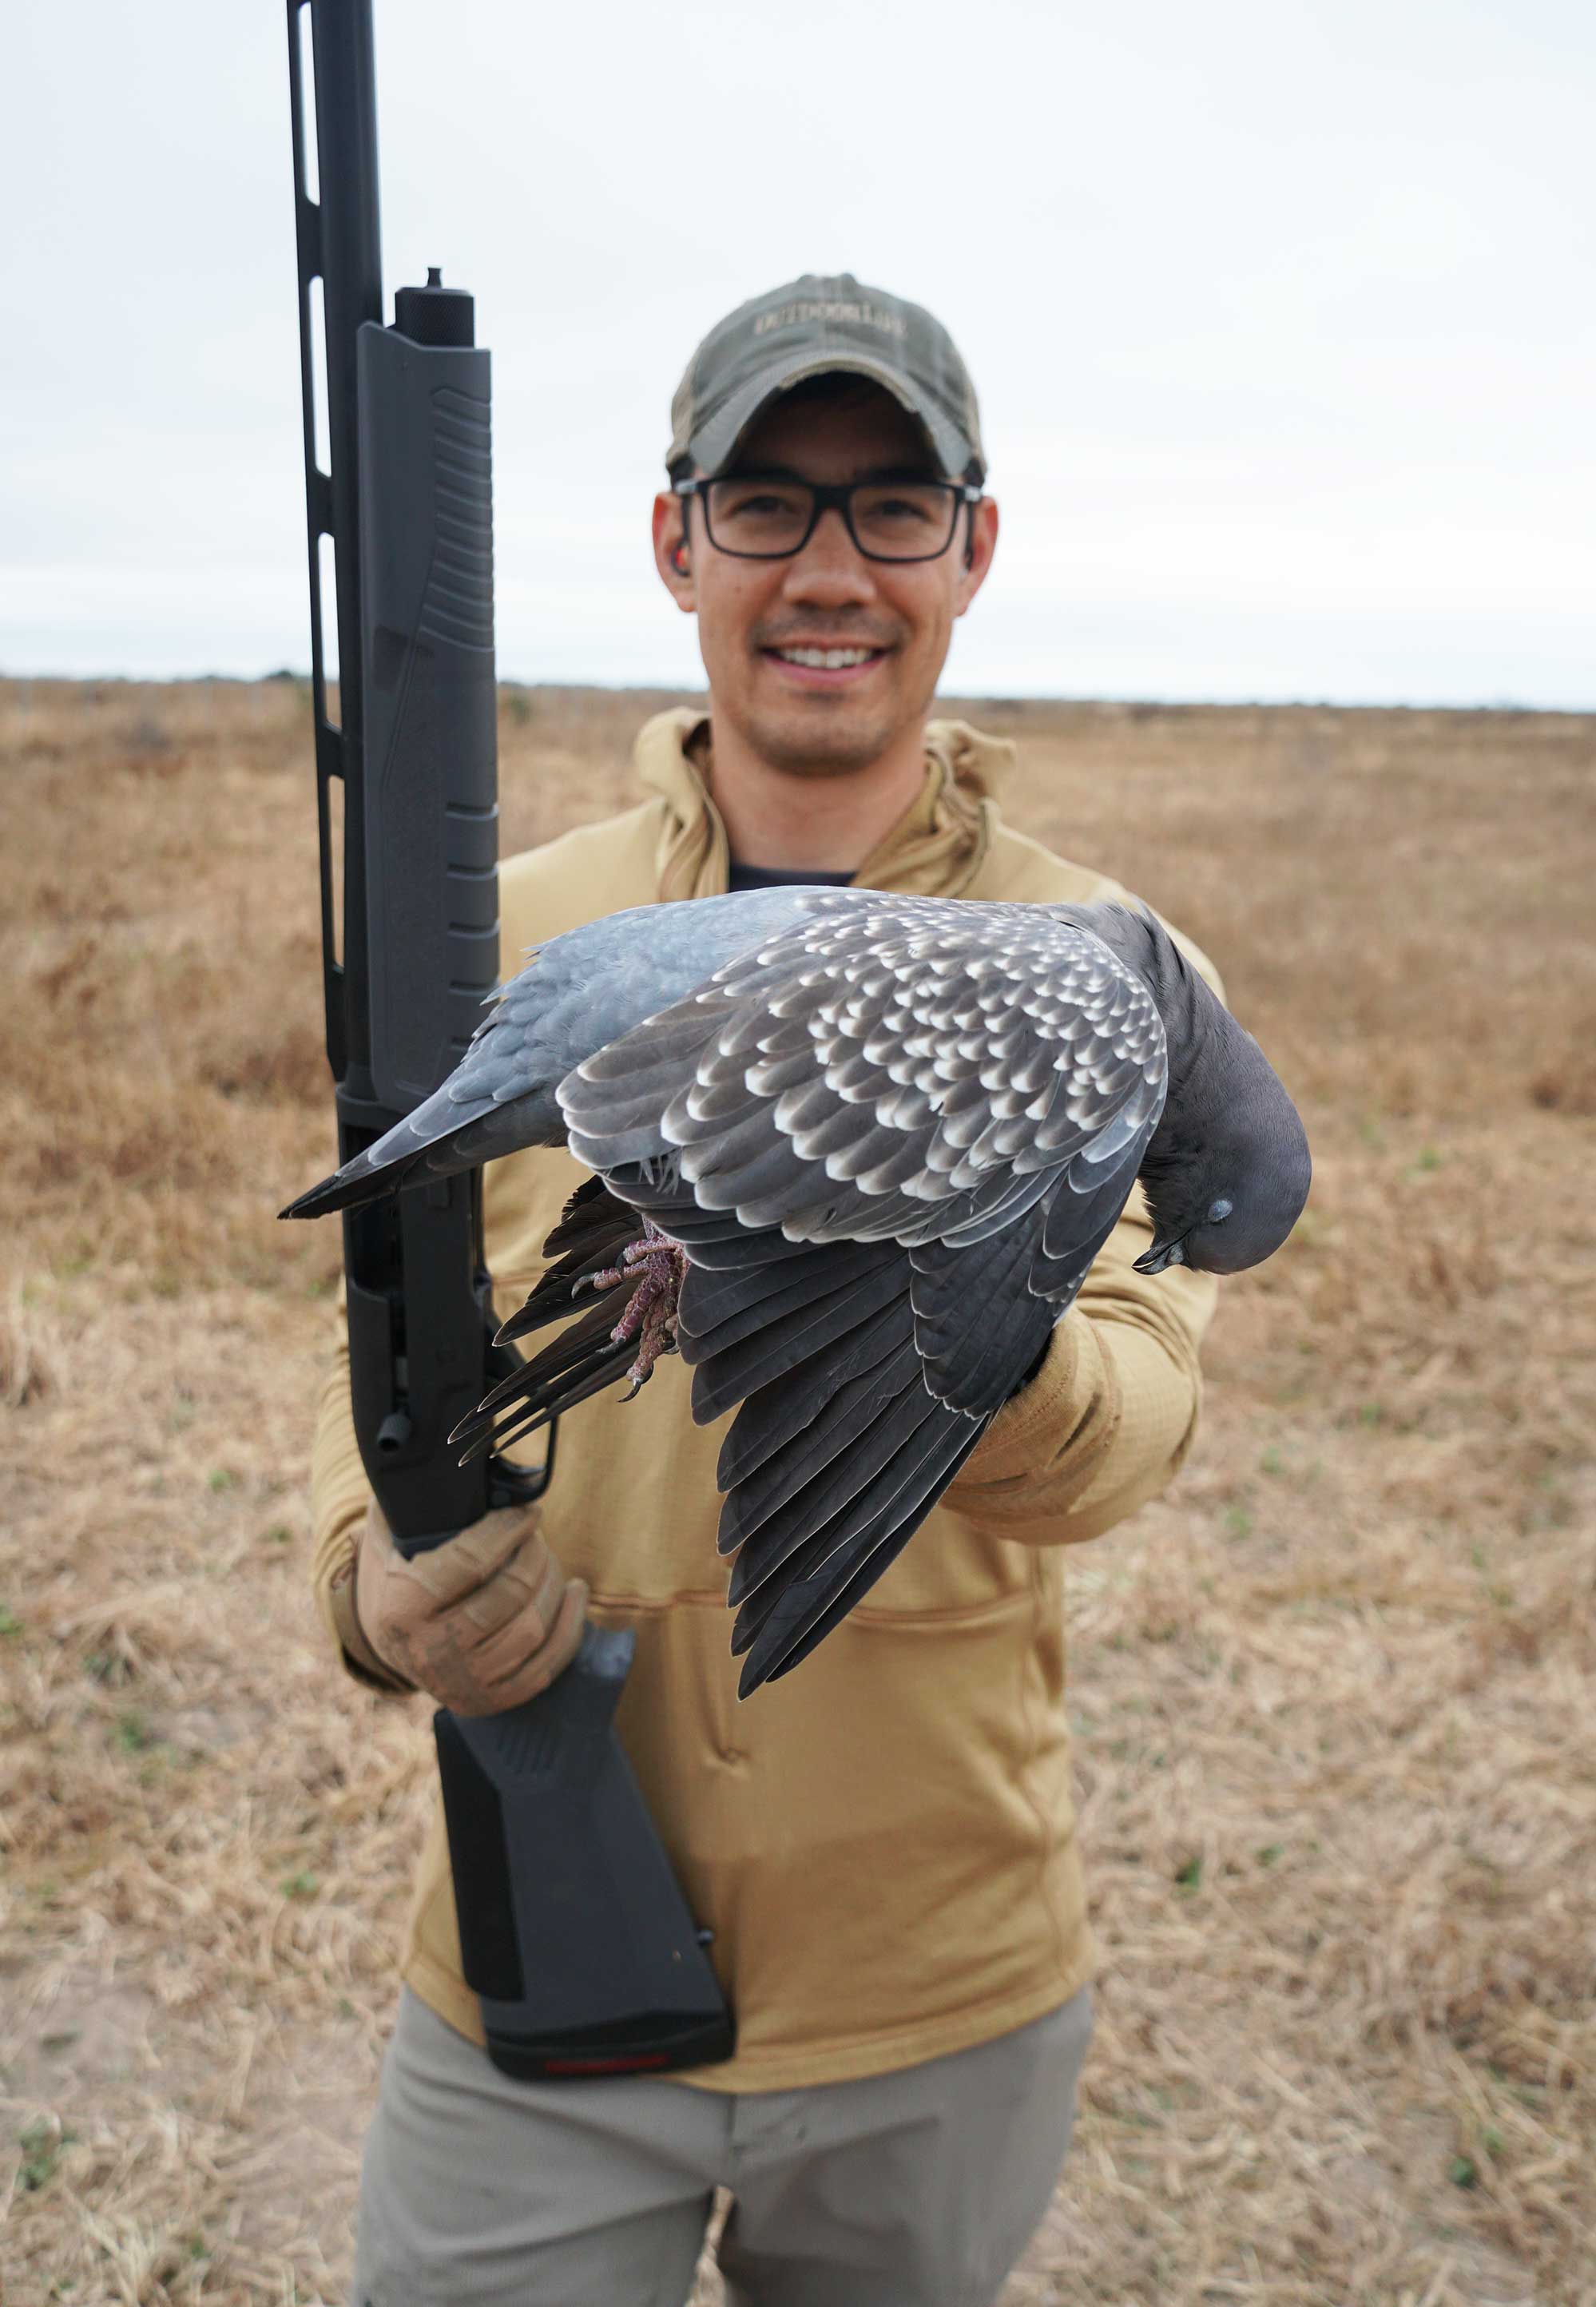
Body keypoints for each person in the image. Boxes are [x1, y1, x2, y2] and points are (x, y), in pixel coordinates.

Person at [311, 272, 1223, 2307]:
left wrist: (947, 1278)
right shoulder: (503, 923)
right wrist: (370, 1588)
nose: (831, 567)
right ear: (675, 543)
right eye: (766, 504)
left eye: (892, 506)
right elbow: (379, 1351)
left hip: (940, 1986)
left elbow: (1133, 1419)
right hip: (533, 1955)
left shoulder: (1101, 973)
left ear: (972, 549)